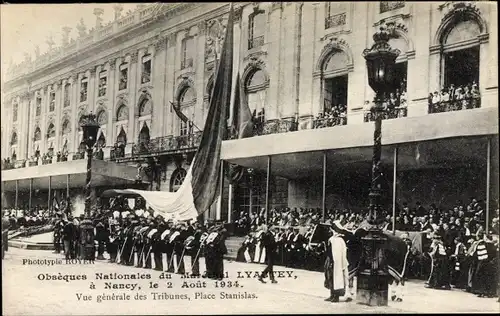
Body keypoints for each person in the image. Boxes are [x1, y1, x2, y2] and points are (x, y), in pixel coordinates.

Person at [324, 221, 350, 303]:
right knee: (330, 277)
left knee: (337, 278)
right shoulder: (332, 239)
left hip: (336, 262)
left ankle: (336, 296)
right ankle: (332, 294)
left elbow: (340, 253)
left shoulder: (340, 240)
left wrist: (334, 261)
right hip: (330, 260)